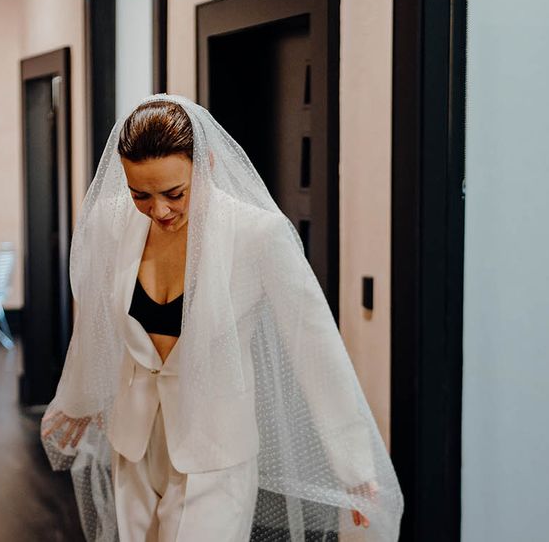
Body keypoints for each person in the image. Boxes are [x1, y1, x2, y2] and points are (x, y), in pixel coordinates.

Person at [41, 94, 403, 541]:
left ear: (207, 163)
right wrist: (80, 397)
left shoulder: (257, 236)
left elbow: (314, 345)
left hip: (216, 448)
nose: (159, 211)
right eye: (141, 195)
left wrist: (352, 462)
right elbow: (95, 317)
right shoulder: (110, 223)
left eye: (175, 193)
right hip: (134, 443)